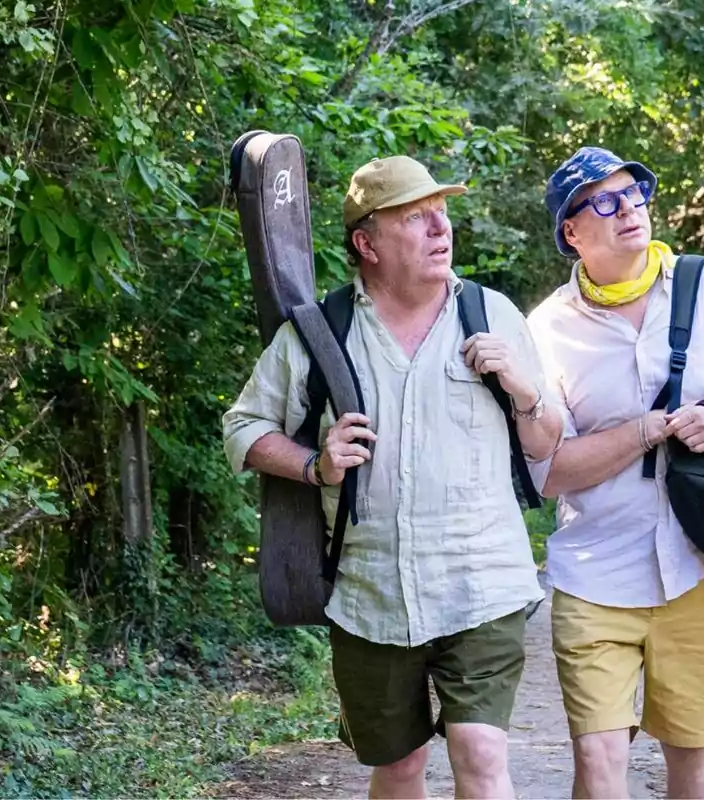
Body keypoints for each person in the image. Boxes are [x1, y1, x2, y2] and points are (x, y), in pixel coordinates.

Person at [222, 155, 563, 799]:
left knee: (480, 753)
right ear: (366, 242)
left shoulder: (490, 316)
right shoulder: (322, 334)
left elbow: (545, 443)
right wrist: (312, 464)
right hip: (370, 592)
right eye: (415, 217)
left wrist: (523, 390)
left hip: (482, 582)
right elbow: (243, 428)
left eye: (442, 213)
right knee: (399, 767)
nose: (440, 228)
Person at [525, 146, 704, 799]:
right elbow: (550, 473)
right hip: (595, 573)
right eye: (606, 200)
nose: (628, 209)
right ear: (572, 231)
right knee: (599, 765)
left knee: (691, 752)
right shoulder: (546, 330)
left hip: (702, 565)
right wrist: (644, 430)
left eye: (635, 195)